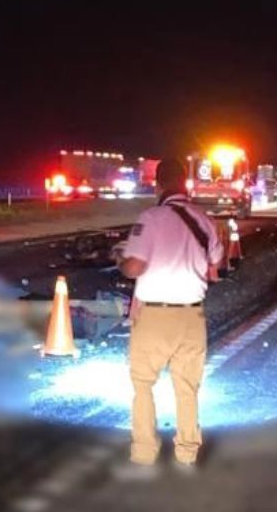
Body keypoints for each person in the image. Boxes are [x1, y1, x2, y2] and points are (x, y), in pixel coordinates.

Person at [114, 156, 224, 474]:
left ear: (157, 184)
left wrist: (121, 258)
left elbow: (134, 267)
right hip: (192, 317)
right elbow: (215, 263)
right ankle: (187, 454)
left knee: (144, 386)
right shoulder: (204, 220)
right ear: (184, 183)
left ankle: (145, 453)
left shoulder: (151, 217)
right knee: (187, 389)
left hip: (155, 317)